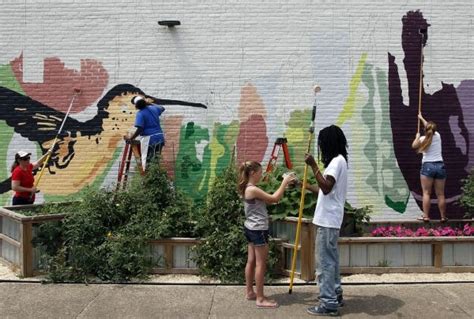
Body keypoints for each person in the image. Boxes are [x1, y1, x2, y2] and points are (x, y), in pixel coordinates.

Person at [237, 161, 295, 309]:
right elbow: (274, 198)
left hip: (250, 227)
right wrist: (285, 181)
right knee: (260, 263)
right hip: (258, 230)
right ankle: (260, 298)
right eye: (260, 172)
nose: (261, 175)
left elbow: (268, 200)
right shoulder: (253, 189)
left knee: (251, 261)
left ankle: (250, 292)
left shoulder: (247, 188)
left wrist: (284, 187)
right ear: (252, 173)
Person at [304, 125, 348, 316]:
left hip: (327, 220)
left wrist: (313, 165)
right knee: (332, 261)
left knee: (325, 264)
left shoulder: (336, 162)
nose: (321, 148)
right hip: (331, 219)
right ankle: (335, 294)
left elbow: (327, 187)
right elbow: (324, 189)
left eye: (322, 144)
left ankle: (328, 303)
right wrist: (303, 185)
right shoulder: (340, 161)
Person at [411, 113, 447, 222]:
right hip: (440, 165)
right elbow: (429, 127)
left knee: (426, 193)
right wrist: (422, 118)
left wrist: (417, 137)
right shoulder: (438, 136)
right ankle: (443, 217)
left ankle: (426, 216)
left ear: (425, 130)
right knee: (440, 194)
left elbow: (413, 146)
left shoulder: (422, 139)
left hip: (428, 166)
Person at [125, 96, 165, 167]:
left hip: (149, 140)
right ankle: (156, 176)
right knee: (155, 160)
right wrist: (150, 103)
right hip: (160, 138)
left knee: (149, 161)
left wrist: (132, 137)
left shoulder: (140, 114)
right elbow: (162, 108)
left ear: (136, 105)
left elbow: (140, 128)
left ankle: (151, 177)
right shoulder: (153, 109)